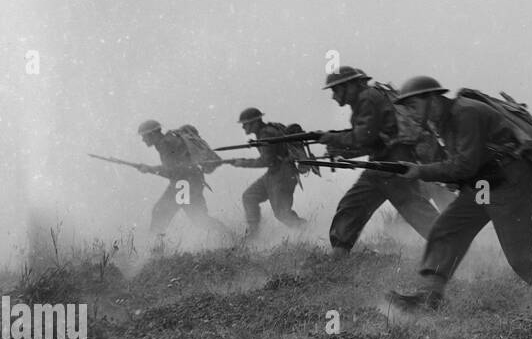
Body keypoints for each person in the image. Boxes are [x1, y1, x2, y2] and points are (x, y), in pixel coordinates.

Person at [385, 76, 532, 310]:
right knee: (446, 230)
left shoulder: (465, 113)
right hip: (483, 186)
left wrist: (421, 171)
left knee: (520, 256)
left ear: (433, 99)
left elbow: (464, 166)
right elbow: (464, 165)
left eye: (414, 105)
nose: (411, 113)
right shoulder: (444, 122)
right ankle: (429, 297)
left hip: (511, 184)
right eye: (407, 108)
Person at [319, 67, 443, 255]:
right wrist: (339, 148)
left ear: (351, 86)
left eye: (336, 90)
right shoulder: (367, 99)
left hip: (392, 165)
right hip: (384, 164)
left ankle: (453, 245)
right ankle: (339, 252)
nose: (334, 96)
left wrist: (331, 138)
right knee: (353, 206)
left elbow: (363, 137)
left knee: (415, 210)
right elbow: (372, 139)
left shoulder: (367, 98)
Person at [136, 119, 229, 241]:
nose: (143, 140)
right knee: (197, 218)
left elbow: (173, 170)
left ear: (153, 134)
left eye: (144, 136)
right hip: (189, 181)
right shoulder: (169, 140)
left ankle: (155, 248)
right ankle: (229, 235)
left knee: (163, 213)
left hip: (184, 184)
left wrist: (150, 169)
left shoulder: (166, 144)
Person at [222, 107, 309, 236]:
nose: (243, 127)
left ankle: (308, 229)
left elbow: (266, 161)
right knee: (249, 196)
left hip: (283, 174)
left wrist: (242, 163)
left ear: (255, 122)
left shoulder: (266, 134)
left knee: (282, 214)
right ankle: (253, 234)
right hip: (275, 173)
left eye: (245, 124)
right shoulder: (267, 130)